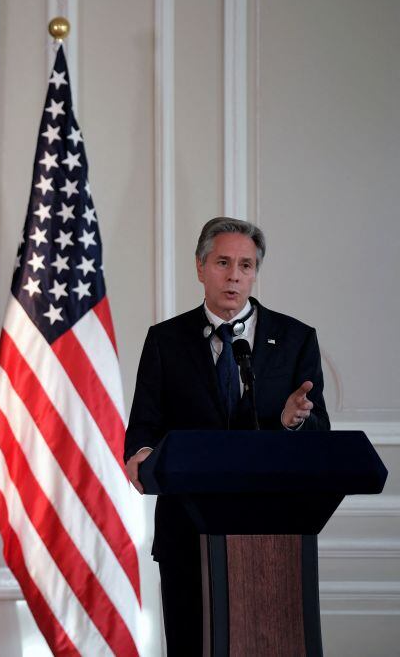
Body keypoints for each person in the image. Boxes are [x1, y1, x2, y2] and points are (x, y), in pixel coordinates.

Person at [122, 217, 329, 655]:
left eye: (246, 265)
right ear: (200, 267)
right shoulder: (165, 341)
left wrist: (295, 421)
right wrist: (142, 456)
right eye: (222, 262)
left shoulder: (295, 340)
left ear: (255, 272)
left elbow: (319, 433)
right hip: (186, 530)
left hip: (276, 534)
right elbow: (144, 424)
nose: (235, 275)